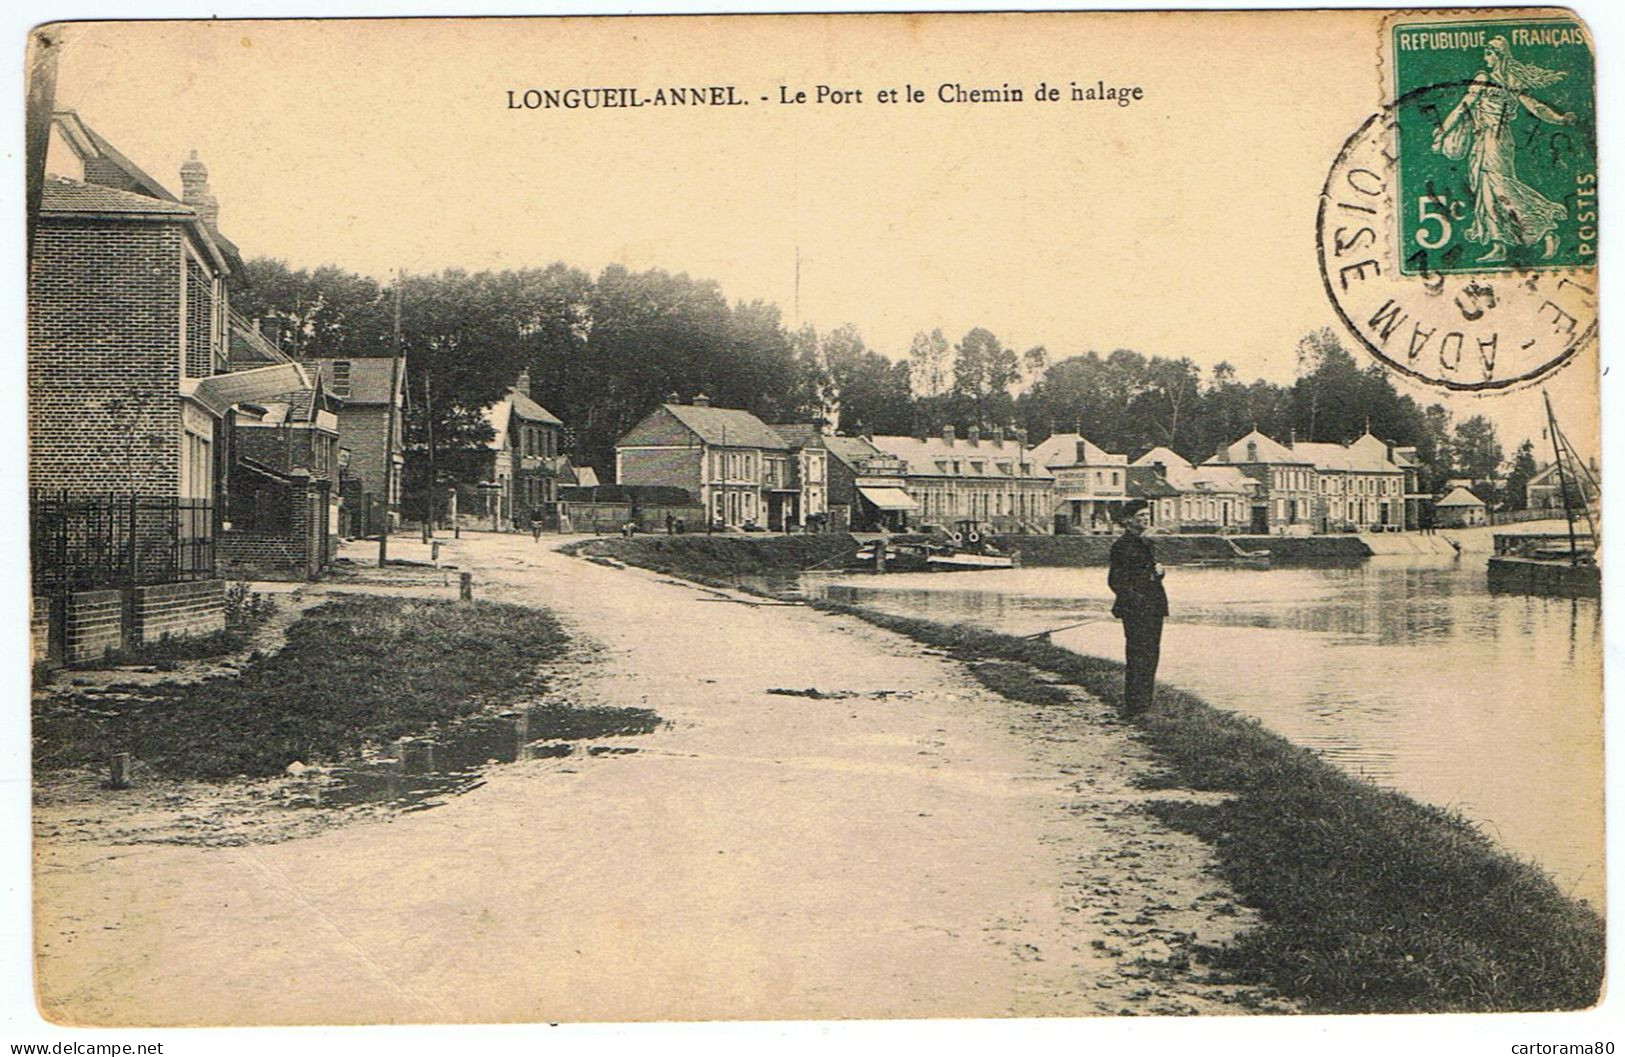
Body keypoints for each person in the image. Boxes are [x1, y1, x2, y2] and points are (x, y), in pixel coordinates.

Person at [1431, 37, 1576, 263]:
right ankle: (1499, 245)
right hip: (1489, 140)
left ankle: (1545, 230)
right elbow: (1534, 107)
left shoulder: (1487, 79)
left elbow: (1463, 108)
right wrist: (1558, 119)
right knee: (1486, 191)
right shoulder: (1509, 80)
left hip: (1493, 140)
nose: (1485, 58)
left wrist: (1443, 129)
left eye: (1488, 54)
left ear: (1498, 55)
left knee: (1499, 187)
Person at [1108, 501, 1168, 717]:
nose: (1145, 518)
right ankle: (1136, 706)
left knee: (1151, 655)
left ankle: (1144, 705)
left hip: (1154, 607)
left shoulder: (1147, 544)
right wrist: (1136, 601)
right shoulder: (1122, 546)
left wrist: (1160, 573)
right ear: (1128, 520)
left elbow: (1149, 575)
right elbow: (1117, 582)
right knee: (1138, 656)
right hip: (1137, 610)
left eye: (1147, 515)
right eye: (1141, 515)